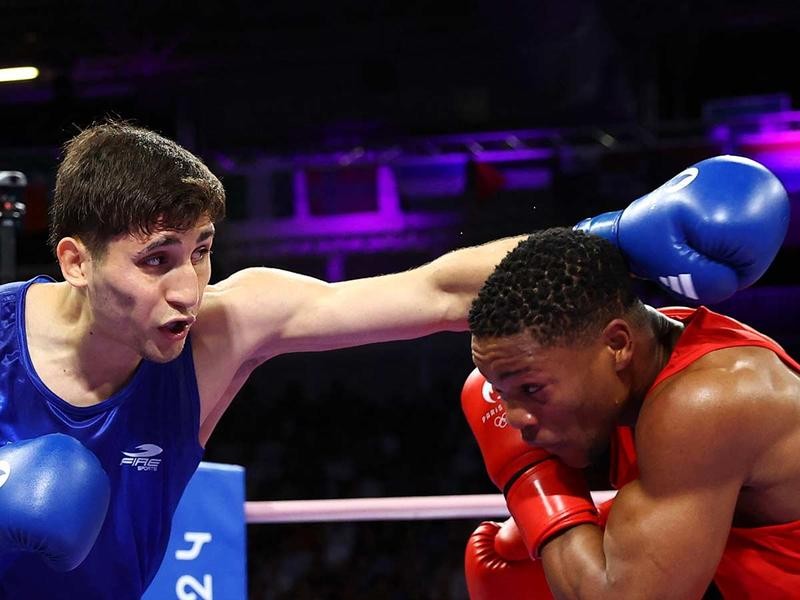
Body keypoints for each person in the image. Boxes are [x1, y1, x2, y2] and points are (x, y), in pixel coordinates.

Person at [0, 120, 787, 598]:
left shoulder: (225, 328)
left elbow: (439, 291)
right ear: (76, 261)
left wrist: (616, 236)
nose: (187, 288)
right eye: (155, 261)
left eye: (201, 251)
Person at [462, 228, 800, 599]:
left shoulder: (705, 401)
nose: (513, 419)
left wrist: (530, 480)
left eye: (530, 389)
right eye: (500, 391)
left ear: (618, 345)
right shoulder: (652, 350)